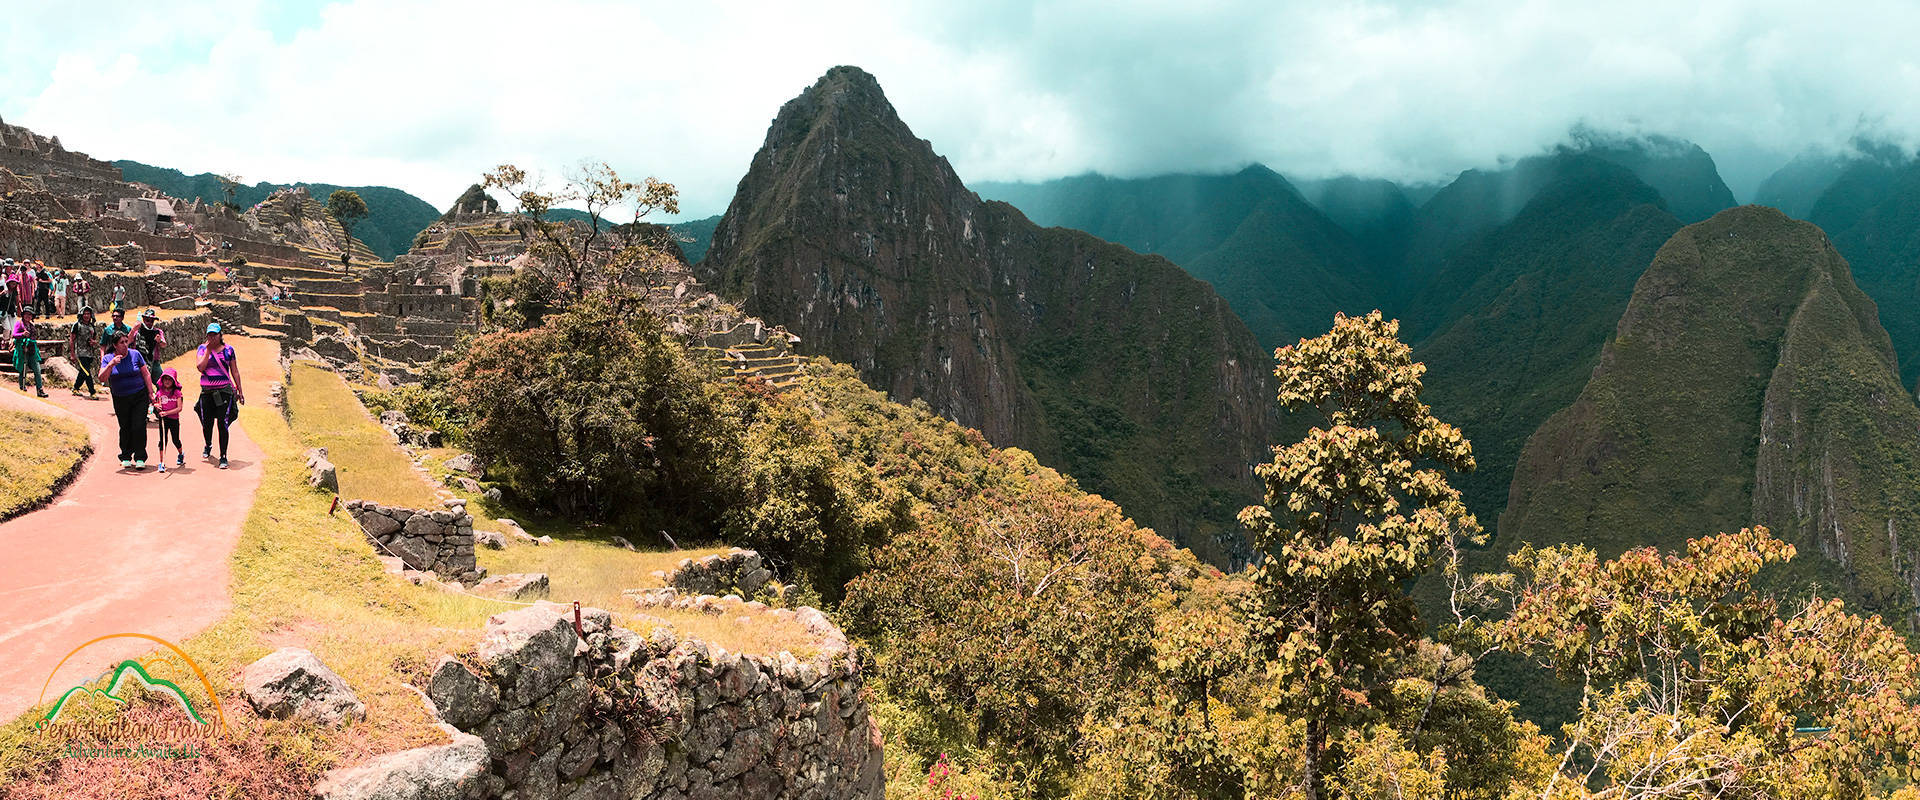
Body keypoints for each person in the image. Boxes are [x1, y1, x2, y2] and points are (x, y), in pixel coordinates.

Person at [99, 330, 155, 469]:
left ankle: (140, 457)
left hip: (139, 395)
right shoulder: (108, 358)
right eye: (121, 343)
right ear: (115, 345)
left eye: (126, 341)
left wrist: (150, 392)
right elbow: (101, 378)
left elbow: (146, 374)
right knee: (125, 426)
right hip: (120, 398)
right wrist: (111, 364)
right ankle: (125, 456)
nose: (125, 345)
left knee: (138, 425)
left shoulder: (135, 354)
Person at [195, 323, 243, 469]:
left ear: (220, 334)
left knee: (223, 424)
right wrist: (208, 351)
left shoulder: (229, 350)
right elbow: (200, 367)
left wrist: (240, 390)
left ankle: (223, 456)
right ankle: (208, 444)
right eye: (209, 335)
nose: (212, 337)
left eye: (214, 335)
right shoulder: (202, 349)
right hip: (207, 392)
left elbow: (234, 371)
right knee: (207, 422)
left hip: (224, 391)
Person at [151, 367, 185, 472]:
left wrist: (167, 413)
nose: (167, 381)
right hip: (163, 421)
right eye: (165, 379)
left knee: (175, 440)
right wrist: (156, 406)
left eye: (169, 379)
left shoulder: (177, 393)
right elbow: (155, 403)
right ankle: (162, 462)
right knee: (163, 440)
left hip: (174, 420)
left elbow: (179, 408)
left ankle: (180, 454)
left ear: (174, 381)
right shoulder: (160, 392)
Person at [67, 306, 100, 398]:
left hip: (90, 353)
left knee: (83, 372)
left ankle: (75, 388)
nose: (86, 315)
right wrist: (72, 354)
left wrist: (94, 342)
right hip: (81, 353)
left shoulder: (91, 326)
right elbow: (72, 340)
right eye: (84, 314)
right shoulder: (77, 325)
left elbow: (94, 339)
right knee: (87, 372)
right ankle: (92, 392)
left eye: (88, 314)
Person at [12, 307, 45, 397]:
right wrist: (22, 335)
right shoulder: (19, 324)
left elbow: (34, 338)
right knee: (23, 370)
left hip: (32, 350)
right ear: (23, 315)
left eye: (30, 314)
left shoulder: (32, 326)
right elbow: (14, 334)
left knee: (37, 370)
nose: (28, 316)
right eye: (26, 314)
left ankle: (40, 389)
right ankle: (22, 387)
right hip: (22, 351)